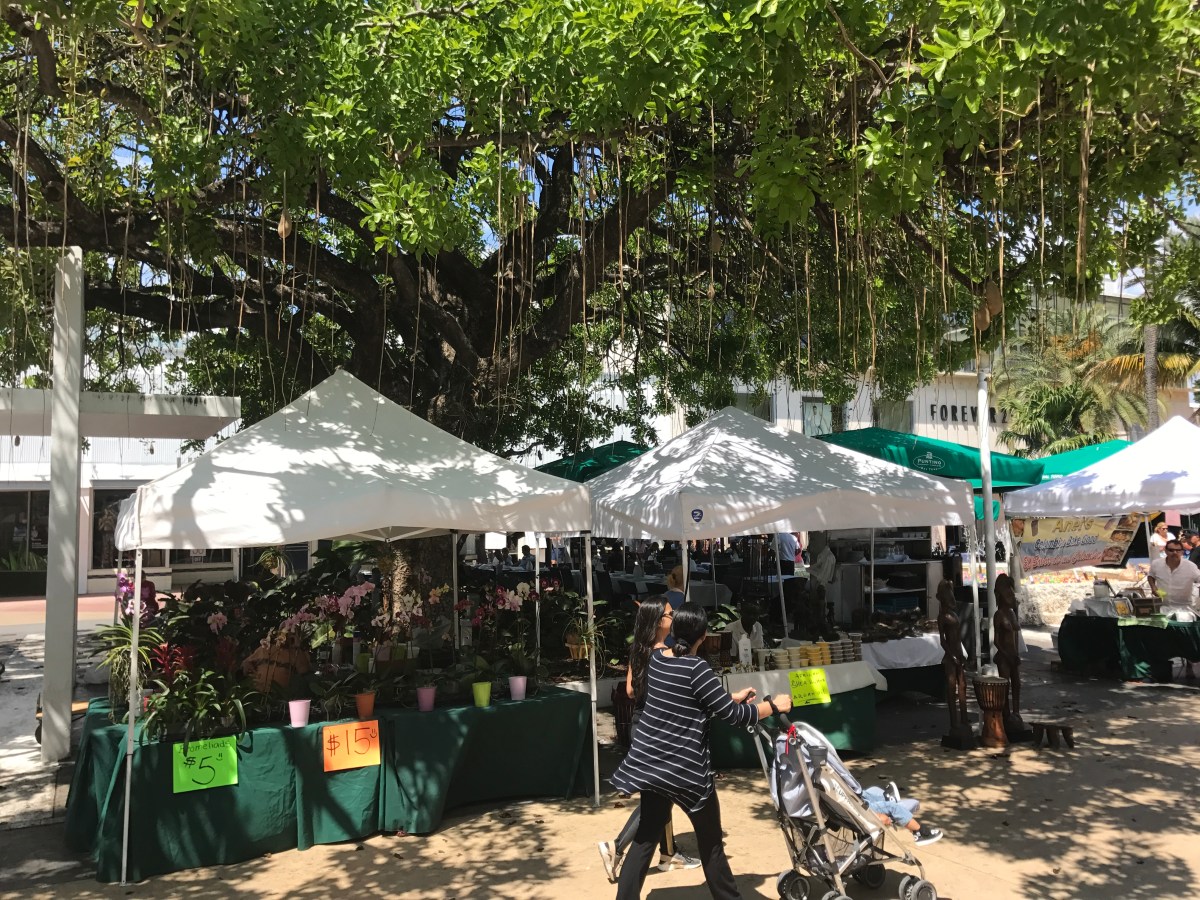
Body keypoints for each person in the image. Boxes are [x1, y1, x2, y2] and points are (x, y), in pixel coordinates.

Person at [610, 602, 793, 900]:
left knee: (645, 839)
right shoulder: (697, 668)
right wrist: (773, 706)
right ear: (704, 635)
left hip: (653, 766)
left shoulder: (656, 659)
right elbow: (735, 717)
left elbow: (691, 701)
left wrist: (729, 697)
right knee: (711, 844)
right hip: (687, 773)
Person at [597, 598, 700, 883]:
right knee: (656, 797)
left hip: (640, 725)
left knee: (659, 794)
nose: (673, 615)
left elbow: (630, 691)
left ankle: (668, 853)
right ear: (658, 623)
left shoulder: (639, 650)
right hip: (657, 730)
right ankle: (615, 847)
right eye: (669, 613)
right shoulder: (665, 653)